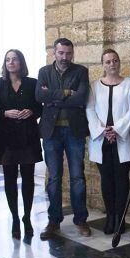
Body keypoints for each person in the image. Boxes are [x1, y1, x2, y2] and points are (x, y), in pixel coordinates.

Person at [36, 38, 92, 239]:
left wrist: (53, 98)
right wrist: (68, 93)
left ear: (72, 53)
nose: (65, 57)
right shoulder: (44, 72)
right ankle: (54, 221)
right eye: (61, 53)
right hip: (51, 133)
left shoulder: (80, 72)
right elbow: (39, 97)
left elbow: (81, 98)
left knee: (77, 177)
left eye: (68, 53)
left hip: (74, 132)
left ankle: (81, 220)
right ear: (54, 53)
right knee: (54, 178)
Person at [0, 49, 42, 239]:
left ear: (21, 62)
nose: (11, 62)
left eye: (14, 59)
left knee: (28, 179)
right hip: (6, 138)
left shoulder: (32, 83)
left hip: (28, 136)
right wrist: (5, 113)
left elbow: (39, 107)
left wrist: (31, 111)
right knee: (9, 179)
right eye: (8, 60)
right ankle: (14, 217)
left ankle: (27, 217)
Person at [86, 49, 130, 234]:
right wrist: (102, 130)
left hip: (122, 138)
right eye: (108, 62)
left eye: (115, 60)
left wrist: (117, 129)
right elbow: (90, 110)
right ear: (103, 65)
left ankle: (120, 218)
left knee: (122, 179)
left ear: (119, 62)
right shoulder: (94, 86)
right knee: (107, 180)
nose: (112, 64)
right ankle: (110, 216)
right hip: (102, 139)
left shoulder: (129, 84)